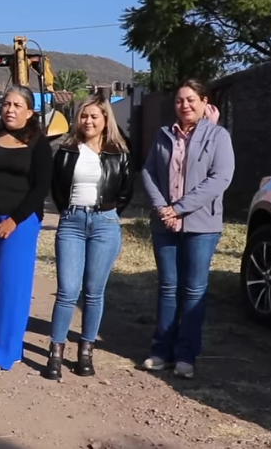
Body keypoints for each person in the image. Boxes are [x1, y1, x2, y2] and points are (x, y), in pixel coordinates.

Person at [140, 78, 233, 379]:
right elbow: (149, 172)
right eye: (180, 100)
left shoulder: (218, 136)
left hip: (202, 225)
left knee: (193, 291)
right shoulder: (164, 134)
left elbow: (219, 179)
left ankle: (186, 354)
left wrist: (179, 208)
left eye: (191, 99)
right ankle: (160, 350)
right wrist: (162, 208)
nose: (185, 105)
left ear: (205, 102)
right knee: (168, 288)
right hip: (164, 223)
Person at [43, 94, 133, 380]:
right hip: (71, 222)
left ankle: (85, 351)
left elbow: (125, 192)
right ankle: (55, 352)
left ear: (106, 119)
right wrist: (71, 212)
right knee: (68, 291)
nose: (88, 121)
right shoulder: (67, 151)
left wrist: (106, 213)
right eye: (84, 116)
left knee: (94, 292)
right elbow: (56, 188)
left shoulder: (119, 153)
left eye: (94, 116)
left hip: (105, 223)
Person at [0, 85, 53, 374]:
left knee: (11, 286)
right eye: (6, 104)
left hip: (20, 223)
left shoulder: (38, 144)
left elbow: (40, 187)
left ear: (30, 112)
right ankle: (11, 346)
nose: (10, 110)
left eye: (18, 105)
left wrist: (14, 220)